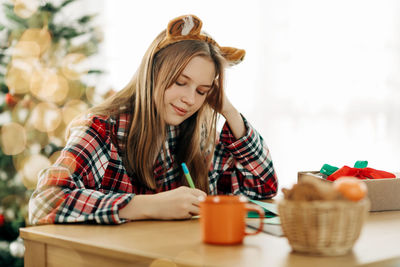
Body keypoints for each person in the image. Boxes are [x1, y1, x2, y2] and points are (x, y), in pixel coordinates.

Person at [28, 14, 278, 225]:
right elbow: (46, 201)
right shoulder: (103, 129)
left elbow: (262, 187)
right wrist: (146, 206)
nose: (190, 99)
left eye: (202, 91)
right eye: (180, 82)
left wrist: (229, 111)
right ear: (152, 73)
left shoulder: (198, 136)